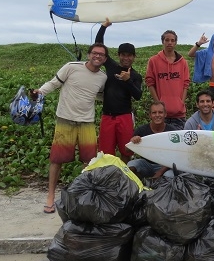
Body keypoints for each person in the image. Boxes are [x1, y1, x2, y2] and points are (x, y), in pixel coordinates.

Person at [34, 43, 108, 214]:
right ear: (89, 54)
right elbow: (54, 84)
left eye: (101, 55)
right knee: (56, 160)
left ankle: (85, 197)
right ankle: (50, 197)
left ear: (104, 59)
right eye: (95, 53)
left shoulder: (103, 78)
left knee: (89, 162)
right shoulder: (71, 67)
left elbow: (100, 95)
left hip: (87, 122)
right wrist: (40, 92)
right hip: (65, 119)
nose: (97, 56)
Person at [94, 18, 143, 163]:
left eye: (129, 55)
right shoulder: (111, 66)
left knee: (126, 151)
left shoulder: (135, 76)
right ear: (119, 56)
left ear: (134, 57)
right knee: (106, 153)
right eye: (123, 55)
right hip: (107, 116)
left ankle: (125, 177)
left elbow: (138, 95)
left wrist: (127, 80)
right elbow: (99, 45)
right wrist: (103, 27)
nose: (125, 58)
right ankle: (109, 178)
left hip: (125, 117)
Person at [145, 30, 190, 130]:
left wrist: (181, 103)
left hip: (179, 114)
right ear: (163, 42)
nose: (170, 42)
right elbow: (150, 82)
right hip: (160, 114)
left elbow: (185, 84)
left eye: (172, 40)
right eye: (167, 40)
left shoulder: (183, 62)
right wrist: (158, 104)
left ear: (175, 43)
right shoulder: (154, 61)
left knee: (177, 143)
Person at [127, 101, 178, 180]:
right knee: (131, 165)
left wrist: (161, 172)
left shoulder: (172, 132)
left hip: (166, 165)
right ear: (150, 115)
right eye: (154, 113)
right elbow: (127, 150)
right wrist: (132, 142)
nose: (157, 115)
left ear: (165, 114)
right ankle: (140, 183)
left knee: (170, 176)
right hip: (146, 164)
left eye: (160, 112)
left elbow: (177, 156)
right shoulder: (141, 130)